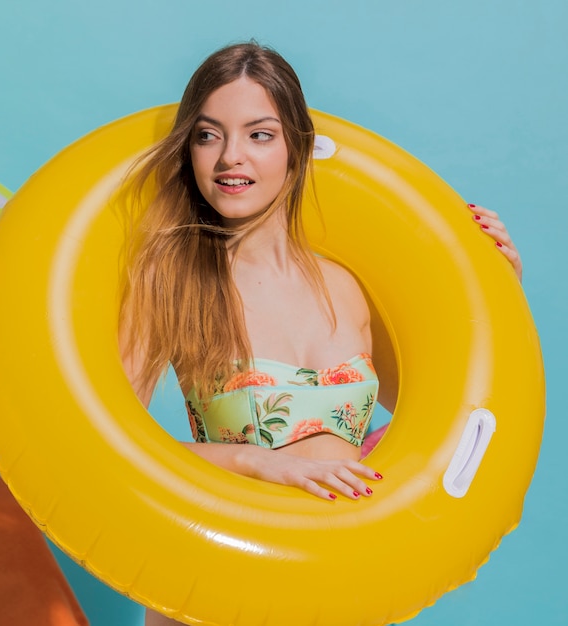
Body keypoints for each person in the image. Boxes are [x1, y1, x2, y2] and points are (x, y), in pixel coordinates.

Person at [118, 42, 522, 625]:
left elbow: (449, 411)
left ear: (296, 149)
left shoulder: (348, 286)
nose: (232, 157)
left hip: (335, 590)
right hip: (218, 588)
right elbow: (121, 449)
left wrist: (497, 291)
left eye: (260, 134)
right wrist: (258, 463)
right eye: (209, 135)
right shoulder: (172, 279)